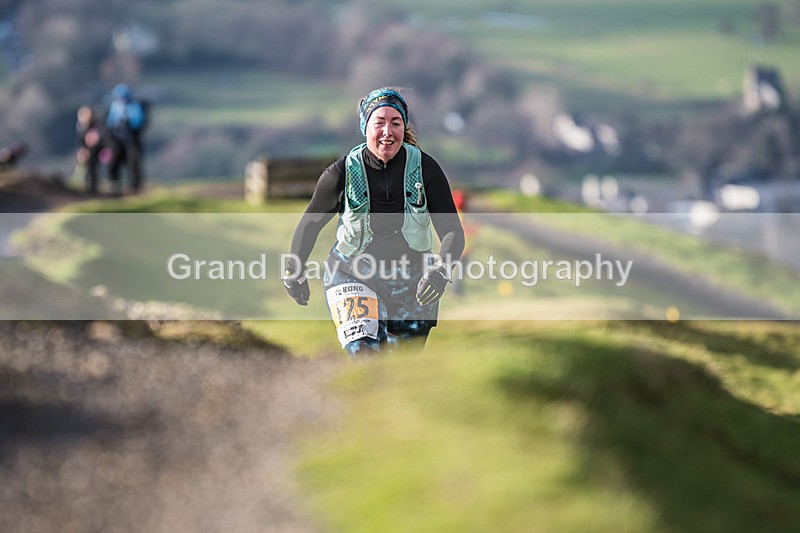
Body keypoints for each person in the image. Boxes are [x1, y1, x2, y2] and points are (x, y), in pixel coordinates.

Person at [283, 87, 465, 358]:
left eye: (396, 123)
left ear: (404, 126)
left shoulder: (426, 169)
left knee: (402, 371)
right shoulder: (340, 173)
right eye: (379, 123)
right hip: (351, 274)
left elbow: (451, 231)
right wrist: (293, 273)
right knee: (367, 357)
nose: (387, 132)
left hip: (412, 280)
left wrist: (440, 272)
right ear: (365, 126)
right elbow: (310, 224)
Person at [105, 83, 147, 194]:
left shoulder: (134, 106)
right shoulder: (115, 106)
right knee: (114, 162)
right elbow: (110, 122)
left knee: (133, 162)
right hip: (117, 140)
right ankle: (114, 184)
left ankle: (135, 185)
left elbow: (138, 122)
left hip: (131, 140)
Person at [75, 106, 103, 194]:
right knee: (87, 168)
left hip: (94, 151)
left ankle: (92, 187)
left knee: (92, 168)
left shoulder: (96, 126)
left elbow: (97, 140)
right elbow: (82, 141)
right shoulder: (81, 127)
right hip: (87, 151)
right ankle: (88, 186)